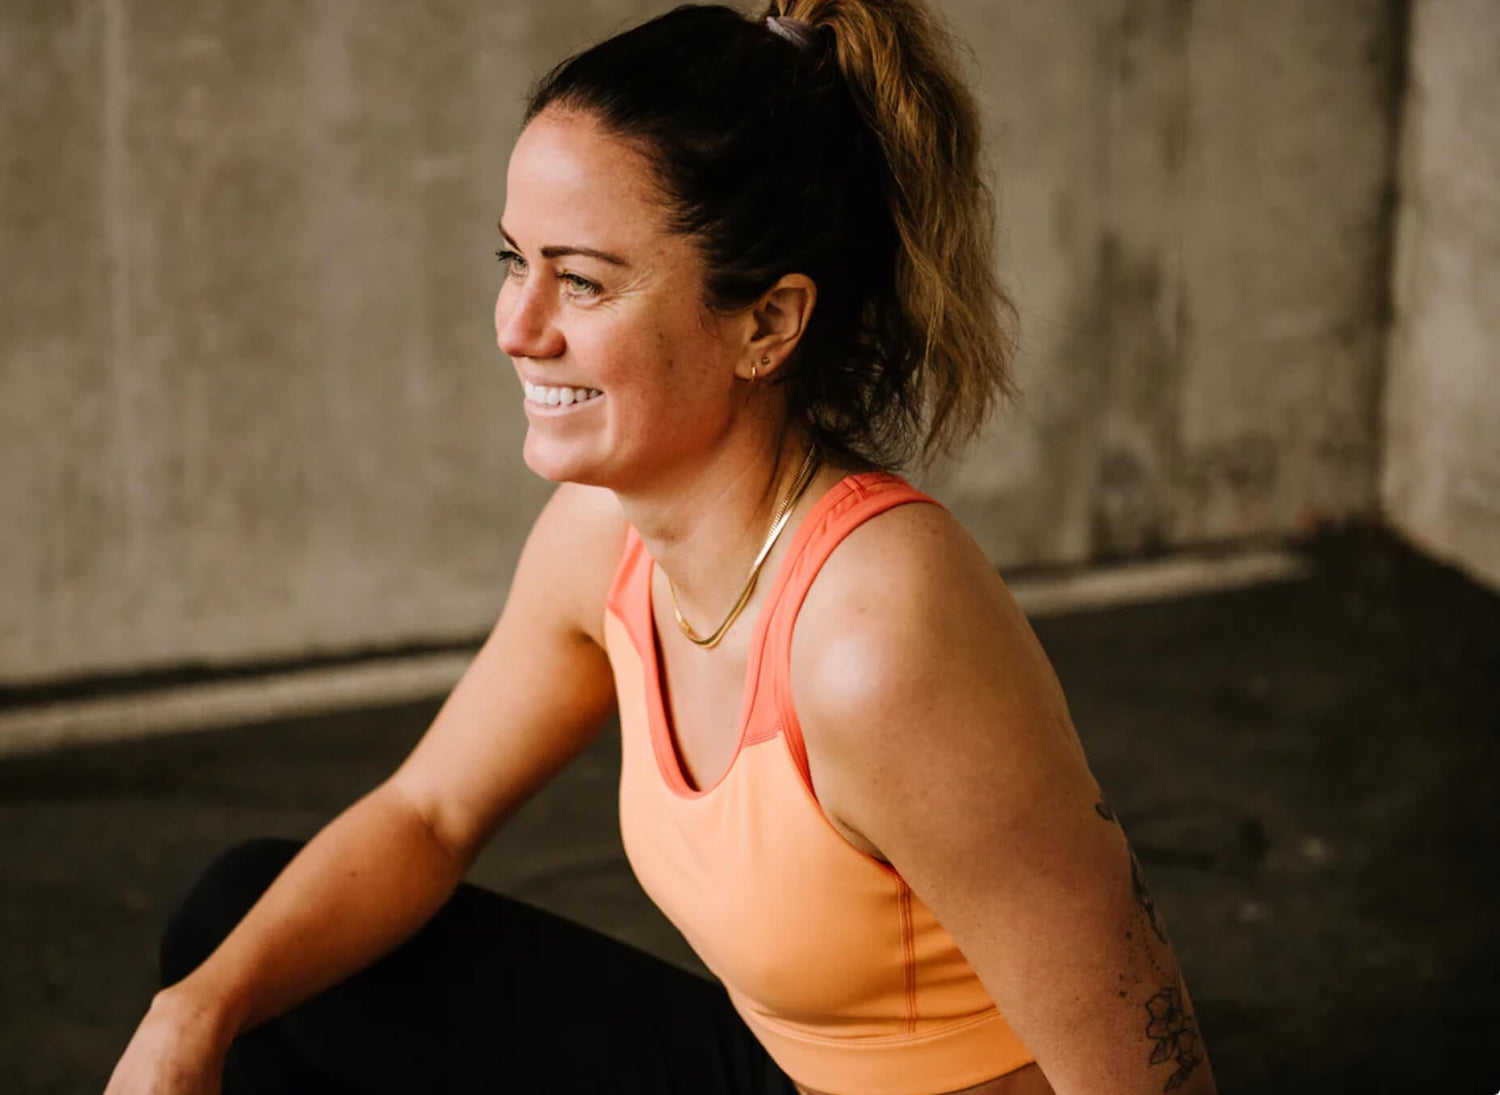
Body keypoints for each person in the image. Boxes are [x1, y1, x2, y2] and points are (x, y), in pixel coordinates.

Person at [105, 2, 1217, 1093]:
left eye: (582, 279)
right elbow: (426, 817)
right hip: (775, 1070)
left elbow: (1151, 1079)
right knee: (237, 931)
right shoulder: (605, 539)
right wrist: (191, 1014)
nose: (516, 326)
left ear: (767, 325)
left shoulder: (879, 640)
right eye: (514, 260)